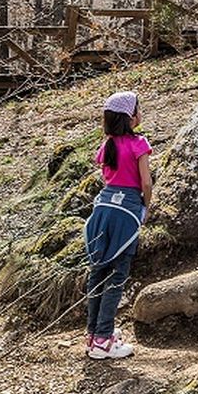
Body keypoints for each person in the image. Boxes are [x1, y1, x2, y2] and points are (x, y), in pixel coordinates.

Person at [82, 90, 151, 359]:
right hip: (126, 212)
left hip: (102, 212)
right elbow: (145, 182)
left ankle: (95, 335)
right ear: (130, 117)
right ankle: (103, 339)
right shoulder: (139, 144)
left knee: (97, 273)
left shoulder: (106, 146)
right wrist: (147, 206)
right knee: (117, 275)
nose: (140, 114)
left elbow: (107, 179)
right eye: (138, 109)